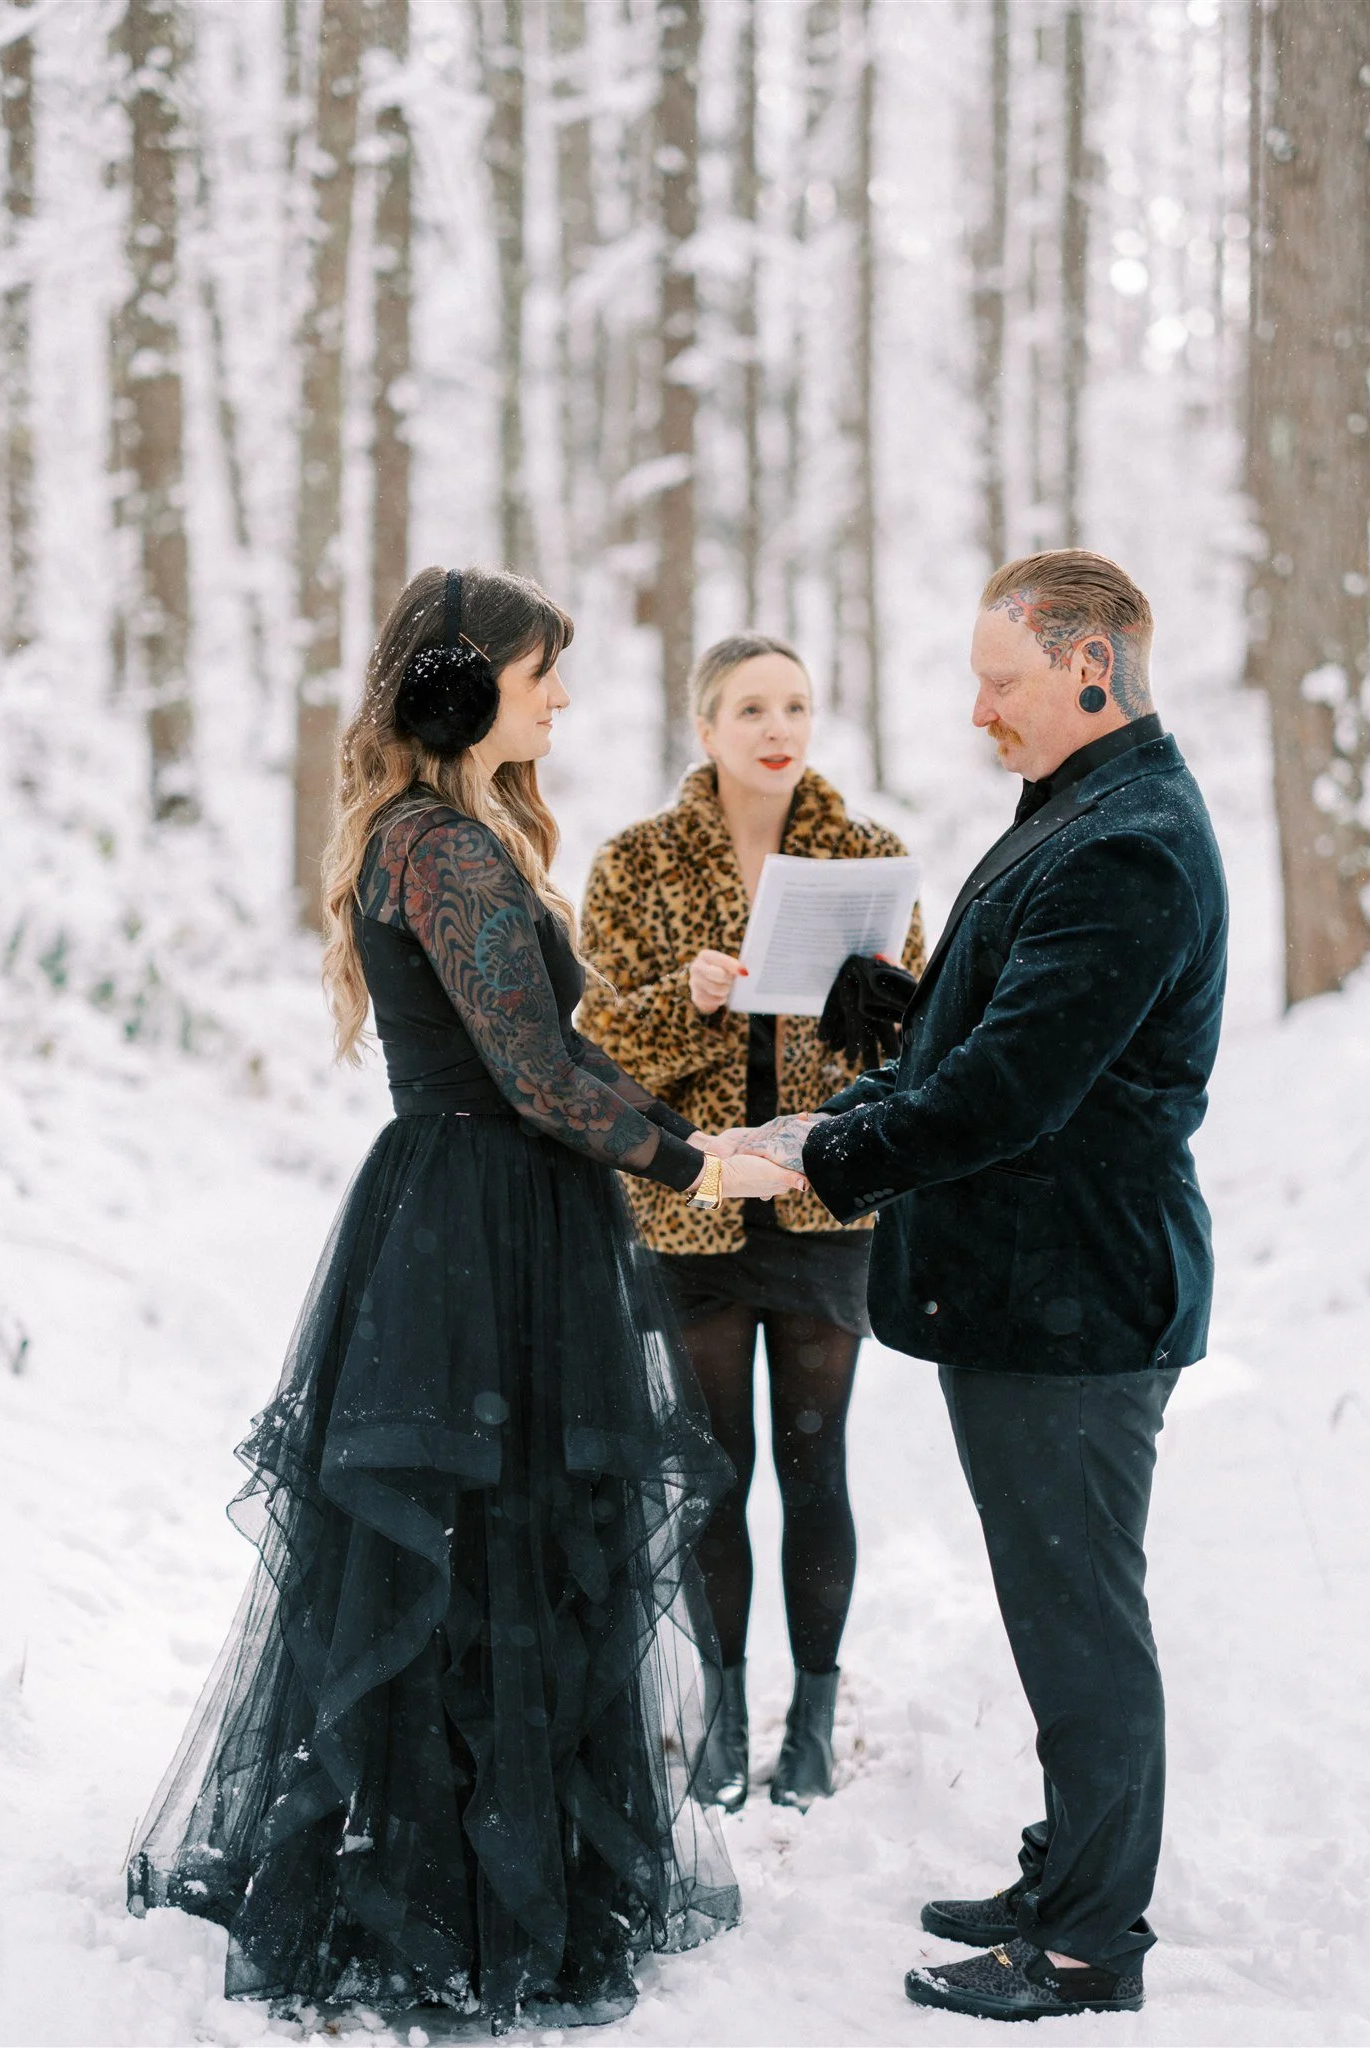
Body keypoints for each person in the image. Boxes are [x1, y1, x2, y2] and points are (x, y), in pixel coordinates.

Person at [125, 569, 805, 2029]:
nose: (560, 699)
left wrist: (701, 1122)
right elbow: (534, 1075)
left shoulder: (458, 836)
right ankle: (441, 1893)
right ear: (465, 685)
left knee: (514, 1544)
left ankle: (489, 1863)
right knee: (474, 1547)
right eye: (541, 673)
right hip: (474, 1225)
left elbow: (552, 1053)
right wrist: (698, 1159)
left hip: (505, 1212)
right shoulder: (432, 843)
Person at [733, 551, 1228, 2023]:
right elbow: (1010, 1020)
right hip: (1030, 1290)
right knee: (1053, 1608)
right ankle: (1062, 1869)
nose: (977, 712)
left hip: (1075, 1295)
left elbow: (1016, 1091)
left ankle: (1086, 1945)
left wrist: (820, 1154)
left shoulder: (1130, 841)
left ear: (1090, 667)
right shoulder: (1081, 806)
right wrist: (895, 1010)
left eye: (998, 682)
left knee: (1081, 1622)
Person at [577, 634, 925, 1813]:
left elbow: (914, 1048)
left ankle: (814, 1721)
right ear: (705, 725)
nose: (779, 727)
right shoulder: (634, 863)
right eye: (751, 707)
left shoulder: (868, 856)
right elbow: (595, 1046)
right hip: (692, 1207)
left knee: (814, 1461)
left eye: (798, 705)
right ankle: (722, 1720)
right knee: (713, 1473)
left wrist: (874, 1001)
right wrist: (690, 994)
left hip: (826, 1203)